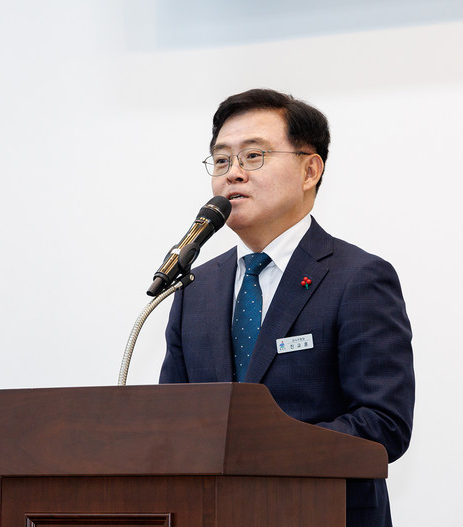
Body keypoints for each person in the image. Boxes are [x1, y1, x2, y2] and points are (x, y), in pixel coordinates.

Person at [159, 88, 415, 527]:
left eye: (253, 156)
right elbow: (171, 421)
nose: (233, 174)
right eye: (221, 160)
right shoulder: (194, 288)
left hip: (322, 514)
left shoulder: (357, 278)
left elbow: (383, 423)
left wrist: (262, 451)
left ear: (309, 170)